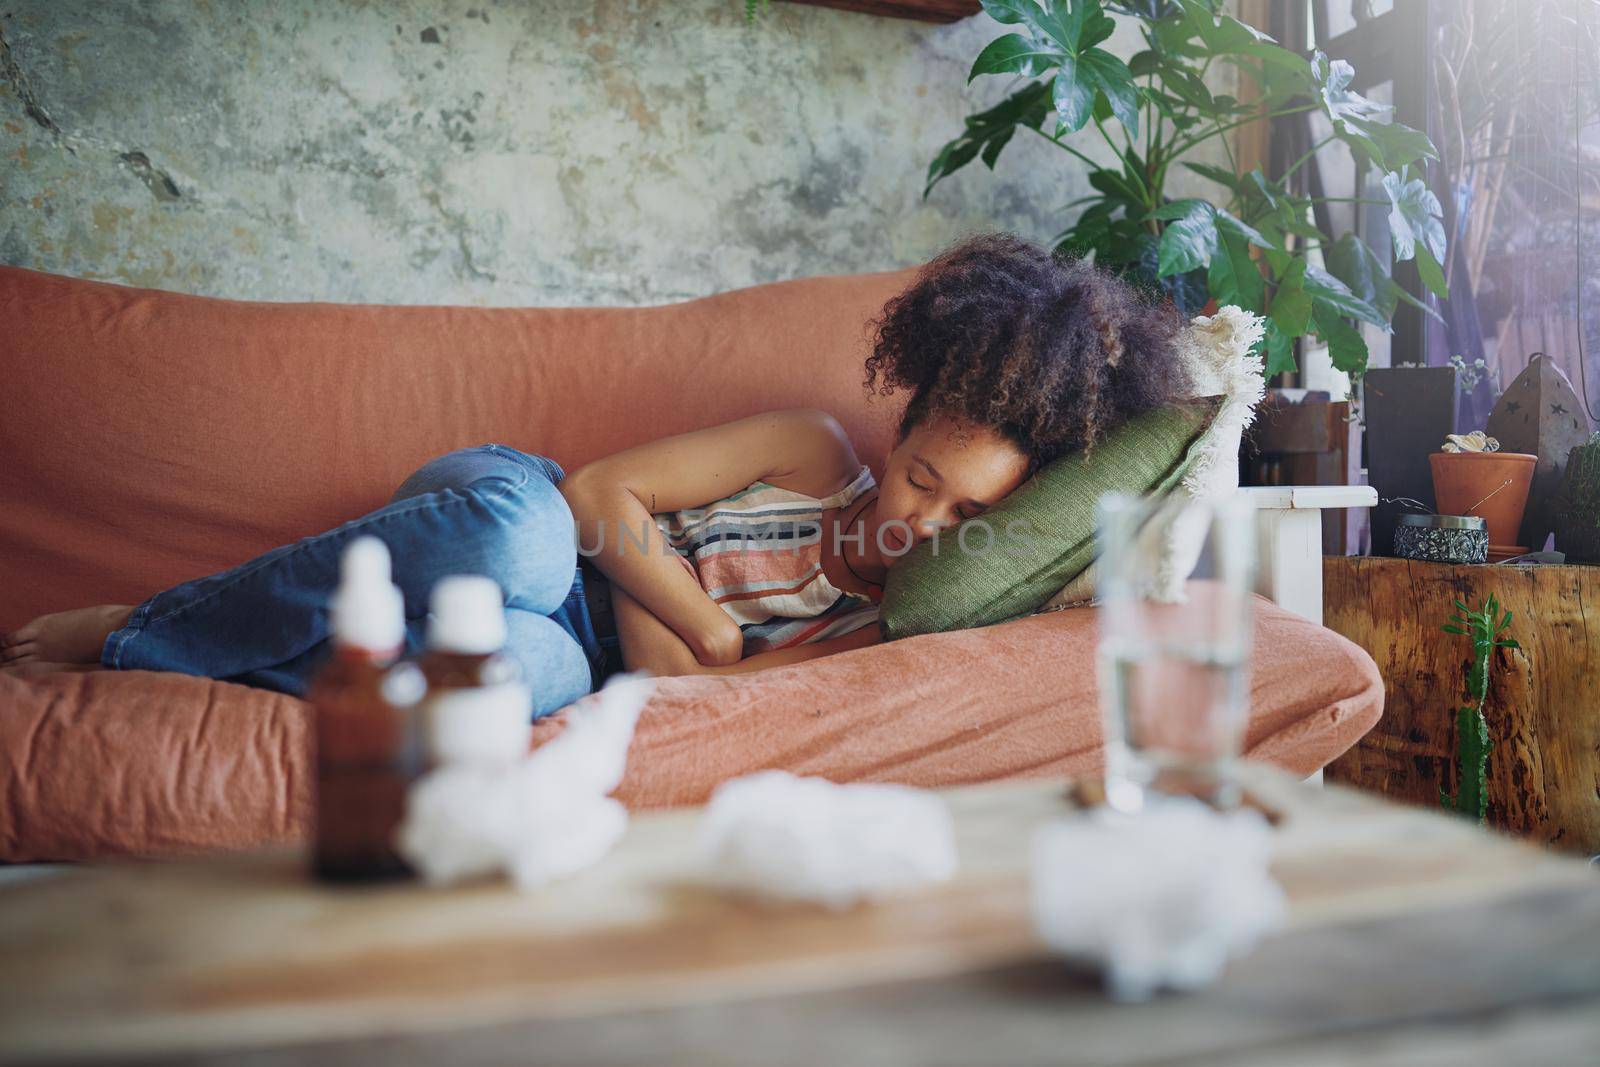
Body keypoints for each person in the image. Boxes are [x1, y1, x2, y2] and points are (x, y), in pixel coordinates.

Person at [0, 232, 1191, 718]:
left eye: (970, 511)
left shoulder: (879, 631)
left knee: (526, 671)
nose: (926, 520)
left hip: (586, 639)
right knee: (506, 546)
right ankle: (140, 634)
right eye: (922, 474)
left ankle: (232, 669)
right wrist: (705, 622)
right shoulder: (810, 448)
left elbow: (663, 688)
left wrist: (658, 584)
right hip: (509, 507)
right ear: (895, 435)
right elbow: (586, 496)